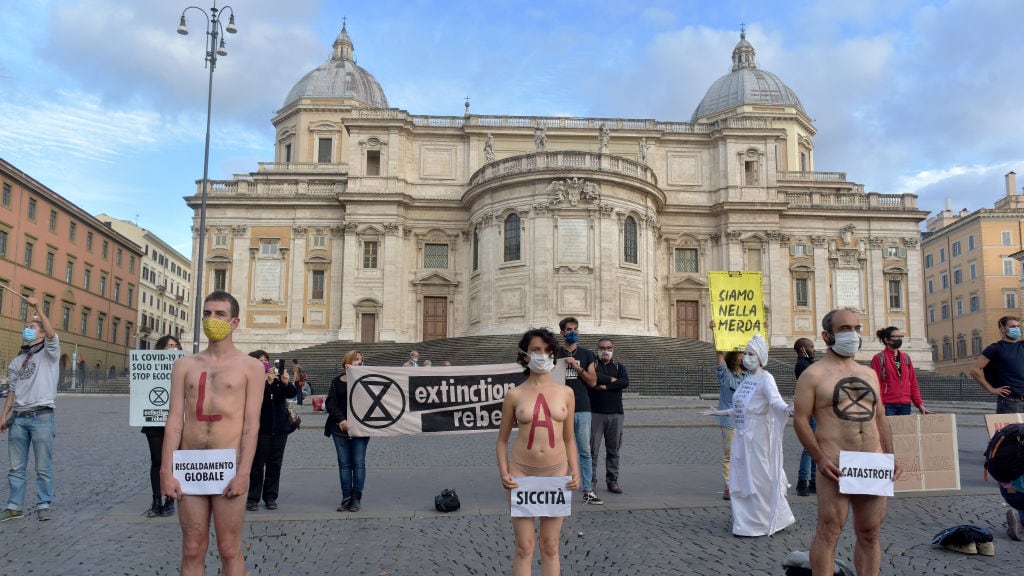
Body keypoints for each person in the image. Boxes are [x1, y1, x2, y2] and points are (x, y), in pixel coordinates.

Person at [160, 291, 264, 576]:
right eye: (207, 313)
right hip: (191, 464)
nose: (211, 319)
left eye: (219, 314)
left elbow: (251, 425)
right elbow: (174, 421)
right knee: (192, 547)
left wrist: (244, 472)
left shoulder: (251, 367)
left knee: (229, 548)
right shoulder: (184, 365)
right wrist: (165, 470)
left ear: (234, 322)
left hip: (228, 465)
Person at [793, 309, 895, 576]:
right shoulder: (813, 374)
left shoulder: (869, 373)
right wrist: (819, 458)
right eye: (845, 328)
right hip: (835, 461)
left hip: (871, 460)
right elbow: (801, 421)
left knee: (870, 532)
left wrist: (890, 456)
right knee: (829, 531)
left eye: (857, 328)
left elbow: (880, 418)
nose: (854, 334)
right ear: (827, 335)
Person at [496, 328, 580, 576]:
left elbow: (569, 438)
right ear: (525, 355)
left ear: (553, 354)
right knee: (524, 547)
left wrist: (575, 471)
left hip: (556, 473)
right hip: (521, 473)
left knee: (551, 545)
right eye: (536, 350)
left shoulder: (566, 393)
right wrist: (504, 472)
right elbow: (501, 441)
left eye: (546, 350)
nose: (542, 355)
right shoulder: (514, 394)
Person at [701, 334, 795, 536]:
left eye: (751, 353)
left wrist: (786, 409)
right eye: (746, 353)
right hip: (743, 437)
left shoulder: (766, 379)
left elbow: (775, 402)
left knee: (759, 476)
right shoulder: (746, 380)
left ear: (760, 357)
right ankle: (746, 521)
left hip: (759, 436)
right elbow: (742, 408)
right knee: (742, 476)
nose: (747, 357)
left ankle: (764, 519)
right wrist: (719, 412)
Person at [0, 296, 59, 522]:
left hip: (42, 416)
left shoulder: (50, 353)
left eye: (32, 327)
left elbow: (52, 334)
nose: (28, 329)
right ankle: (14, 506)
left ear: (42, 333)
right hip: (19, 419)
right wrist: (4, 415)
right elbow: (12, 391)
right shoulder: (17, 361)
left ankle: (44, 503)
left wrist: (37, 308)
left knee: (43, 466)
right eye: (26, 326)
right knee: (15, 467)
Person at [556, 317, 599, 504]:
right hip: (558, 409)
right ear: (562, 333)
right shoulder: (554, 354)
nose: (572, 332)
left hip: (582, 408)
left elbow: (593, 381)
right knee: (558, 451)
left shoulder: (587, 354)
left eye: (575, 329)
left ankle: (588, 489)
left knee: (585, 451)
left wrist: (575, 366)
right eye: (568, 329)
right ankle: (558, 488)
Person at [246, 351, 296, 512]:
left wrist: (285, 382)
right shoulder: (252, 381)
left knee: (275, 465)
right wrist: (264, 383)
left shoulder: (277, 380)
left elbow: (291, 394)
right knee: (257, 465)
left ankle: (270, 497)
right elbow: (260, 401)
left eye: (266, 360)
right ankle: (253, 498)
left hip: (280, 429)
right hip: (261, 429)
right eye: (260, 361)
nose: (264, 363)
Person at [142, 334, 183, 518]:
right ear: (160, 349)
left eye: (175, 345)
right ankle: (156, 500)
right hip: (154, 421)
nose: (172, 348)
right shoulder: (149, 368)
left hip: (176, 421)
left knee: (173, 462)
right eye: (168, 346)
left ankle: (170, 500)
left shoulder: (184, 368)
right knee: (157, 461)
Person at [325, 350, 370, 512]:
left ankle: (356, 499)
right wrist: (341, 419)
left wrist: (357, 377)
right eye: (356, 360)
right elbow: (330, 403)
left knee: (358, 464)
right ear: (347, 363)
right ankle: (346, 498)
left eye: (361, 360)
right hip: (340, 428)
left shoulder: (366, 381)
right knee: (344, 464)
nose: (360, 362)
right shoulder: (337, 382)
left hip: (361, 428)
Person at [709, 318, 743, 501]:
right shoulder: (725, 375)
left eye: (746, 353)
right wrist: (715, 333)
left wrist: (763, 333)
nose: (744, 356)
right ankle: (728, 486)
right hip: (729, 421)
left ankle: (742, 483)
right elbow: (719, 354)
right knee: (729, 455)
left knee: (745, 454)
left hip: (746, 421)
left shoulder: (749, 375)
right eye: (740, 353)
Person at [590, 337, 629, 495]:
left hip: (616, 413)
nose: (606, 350)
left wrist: (605, 386)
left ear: (613, 349)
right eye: (602, 348)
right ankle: (590, 482)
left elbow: (624, 382)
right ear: (598, 350)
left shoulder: (619, 366)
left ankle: (612, 481)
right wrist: (611, 380)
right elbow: (592, 379)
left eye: (609, 347)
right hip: (595, 413)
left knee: (613, 450)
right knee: (592, 450)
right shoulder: (593, 366)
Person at [969, 316, 1024, 413]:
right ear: (1002, 328)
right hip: (1010, 402)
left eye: (1018, 326)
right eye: (1012, 326)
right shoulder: (995, 348)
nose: (1016, 329)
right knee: (1011, 428)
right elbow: (974, 369)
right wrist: (991, 389)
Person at [871, 326, 927, 416]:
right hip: (887, 405)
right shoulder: (879, 358)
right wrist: (880, 405)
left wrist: (919, 403)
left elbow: (913, 382)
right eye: (895, 336)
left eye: (900, 336)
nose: (899, 339)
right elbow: (876, 384)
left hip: (905, 404)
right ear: (887, 340)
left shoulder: (906, 357)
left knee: (903, 430)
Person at [793, 337, 818, 497]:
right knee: (810, 447)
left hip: (815, 408)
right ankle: (803, 481)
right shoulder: (803, 366)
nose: (814, 349)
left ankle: (814, 482)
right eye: (811, 347)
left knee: (817, 446)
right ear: (803, 349)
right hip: (809, 408)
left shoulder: (808, 364)